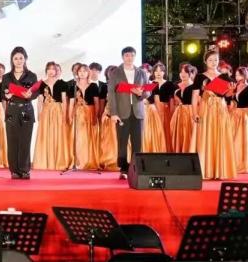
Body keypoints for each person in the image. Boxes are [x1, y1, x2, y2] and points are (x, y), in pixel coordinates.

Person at [192, 47, 236, 180]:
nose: (213, 62)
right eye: (210, 60)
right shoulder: (200, 77)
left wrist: (232, 90)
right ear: (205, 61)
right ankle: (206, 169)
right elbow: (195, 96)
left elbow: (227, 96)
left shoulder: (224, 76)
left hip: (221, 108)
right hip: (206, 108)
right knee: (206, 136)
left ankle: (221, 170)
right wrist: (194, 112)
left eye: (216, 60)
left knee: (221, 136)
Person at [106, 47, 149, 180]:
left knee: (137, 142)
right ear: (122, 57)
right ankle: (124, 169)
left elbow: (148, 91)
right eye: (127, 55)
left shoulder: (141, 72)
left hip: (138, 112)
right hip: (121, 112)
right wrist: (113, 113)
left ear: (135, 57)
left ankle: (136, 168)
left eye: (132, 55)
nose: (129, 58)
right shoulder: (115, 72)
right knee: (122, 141)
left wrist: (141, 93)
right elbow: (111, 94)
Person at [1, 47, 38, 179]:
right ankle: (14, 170)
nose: (18, 61)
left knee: (25, 140)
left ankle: (24, 170)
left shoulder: (32, 75)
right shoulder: (6, 77)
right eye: (16, 58)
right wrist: (7, 95)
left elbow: (36, 93)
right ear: (12, 60)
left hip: (26, 110)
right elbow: (2, 94)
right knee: (12, 141)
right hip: (12, 110)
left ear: (25, 59)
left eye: (21, 58)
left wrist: (30, 95)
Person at [34, 61, 72, 170]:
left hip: (58, 110)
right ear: (46, 70)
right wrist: (39, 114)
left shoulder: (62, 83)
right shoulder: (41, 84)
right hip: (46, 111)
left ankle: (58, 162)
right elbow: (40, 100)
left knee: (58, 134)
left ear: (56, 71)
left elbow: (64, 100)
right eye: (49, 69)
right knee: (45, 134)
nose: (51, 71)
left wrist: (64, 115)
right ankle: (44, 162)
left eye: (53, 69)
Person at [70, 64, 101, 170]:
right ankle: (79, 162)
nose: (82, 73)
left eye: (84, 71)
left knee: (90, 137)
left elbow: (96, 103)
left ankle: (90, 161)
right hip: (78, 114)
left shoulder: (93, 86)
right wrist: (70, 116)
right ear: (77, 73)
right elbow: (71, 103)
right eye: (80, 71)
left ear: (88, 73)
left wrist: (96, 116)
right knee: (79, 137)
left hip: (90, 113)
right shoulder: (73, 86)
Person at [146, 62, 177, 152]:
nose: (158, 73)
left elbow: (172, 100)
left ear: (164, 72)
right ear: (153, 72)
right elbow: (146, 98)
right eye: (156, 71)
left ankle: (164, 150)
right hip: (152, 112)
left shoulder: (169, 84)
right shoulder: (150, 84)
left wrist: (172, 112)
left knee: (165, 131)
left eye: (161, 71)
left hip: (165, 111)